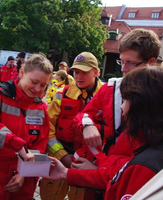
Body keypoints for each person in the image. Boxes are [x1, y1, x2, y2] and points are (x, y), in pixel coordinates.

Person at [45, 66, 163, 200]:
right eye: (76, 72)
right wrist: (67, 172)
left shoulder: (146, 165)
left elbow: (121, 174)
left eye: (125, 100)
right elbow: (119, 170)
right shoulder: (150, 147)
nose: (121, 107)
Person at [68, 29, 160, 196]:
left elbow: (148, 157)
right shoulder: (112, 88)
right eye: (121, 61)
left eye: (131, 63)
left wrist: (100, 168)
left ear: (151, 61)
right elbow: (83, 115)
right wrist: (87, 125)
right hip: (103, 172)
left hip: (132, 177)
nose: (124, 69)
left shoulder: (157, 95)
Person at [0, 53, 53, 200]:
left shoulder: (41, 108)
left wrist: (24, 173)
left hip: (24, 181)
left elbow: (41, 146)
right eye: (34, 82)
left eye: (43, 85)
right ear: (21, 73)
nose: (37, 89)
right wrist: (16, 144)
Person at [40, 52, 103, 200]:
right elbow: (47, 127)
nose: (79, 77)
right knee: (49, 195)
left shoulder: (106, 96)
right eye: (76, 72)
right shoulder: (63, 93)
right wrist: (62, 156)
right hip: (60, 157)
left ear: (96, 72)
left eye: (84, 73)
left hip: (88, 164)